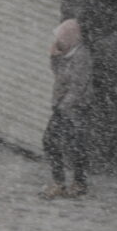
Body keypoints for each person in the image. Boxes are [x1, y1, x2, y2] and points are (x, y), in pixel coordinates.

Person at [41, 18, 93, 199]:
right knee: (50, 141)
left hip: (75, 108)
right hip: (62, 107)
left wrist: (64, 106)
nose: (59, 41)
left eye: (61, 37)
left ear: (70, 37)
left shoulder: (82, 56)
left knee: (76, 145)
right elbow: (58, 75)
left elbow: (78, 86)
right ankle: (60, 182)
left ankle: (79, 183)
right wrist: (54, 56)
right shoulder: (66, 54)